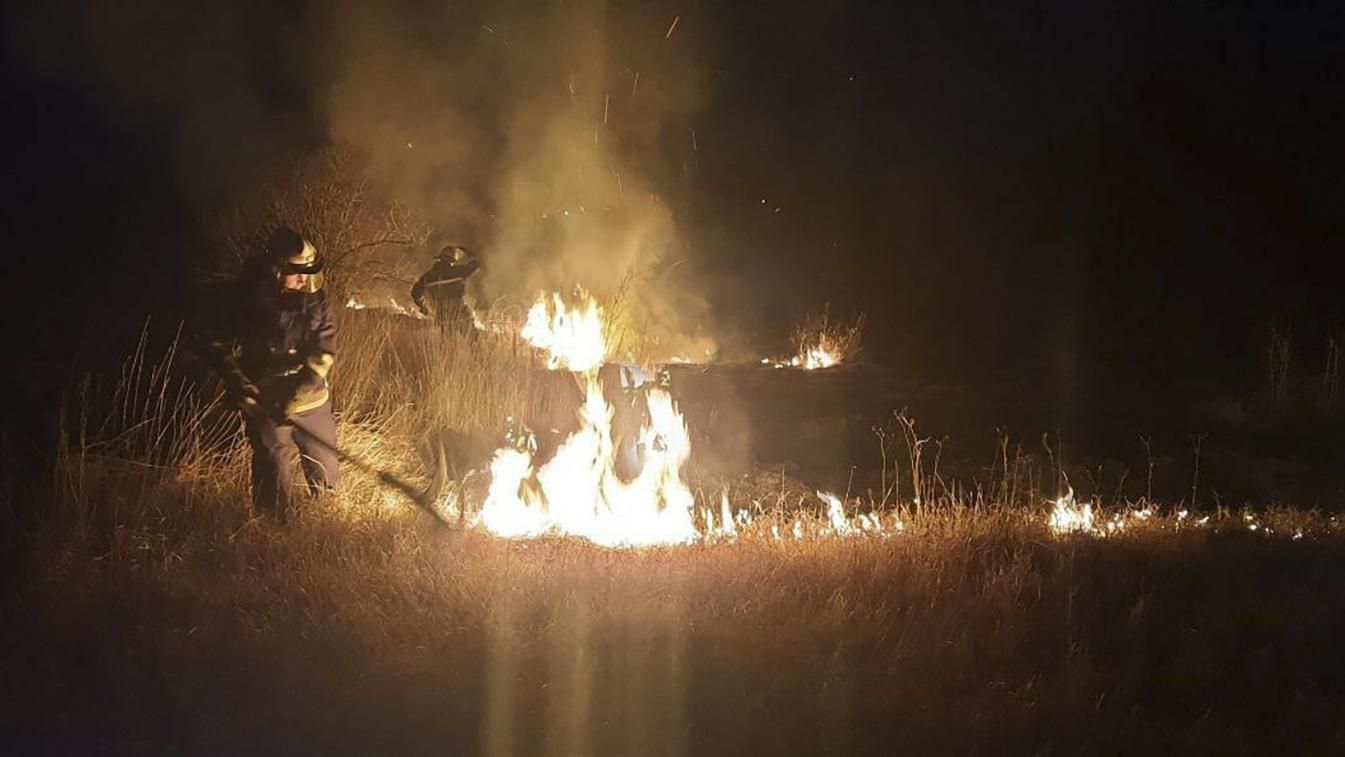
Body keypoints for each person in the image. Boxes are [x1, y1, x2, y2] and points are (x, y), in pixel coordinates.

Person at [200, 227, 340, 519]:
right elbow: (218, 344)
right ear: (275, 269)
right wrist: (241, 386)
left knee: (325, 472)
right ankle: (274, 530)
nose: (304, 279)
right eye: (296, 271)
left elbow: (323, 354)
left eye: (308, 271)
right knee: (272, 473)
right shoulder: (245, 302)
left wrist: (294, 395)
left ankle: (325, 527)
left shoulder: (317, 303)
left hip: (311, 402)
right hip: (265, 404)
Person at [411, 245, 480, 331]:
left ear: (439, 259)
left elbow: (415, 293)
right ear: (451, 261)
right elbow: (476, 264)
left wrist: (423, 307)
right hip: (460, 314)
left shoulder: (427, 277)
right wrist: (468, 251)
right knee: (473, 340)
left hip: (443, 316)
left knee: (449, 342)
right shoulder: (457, 272)